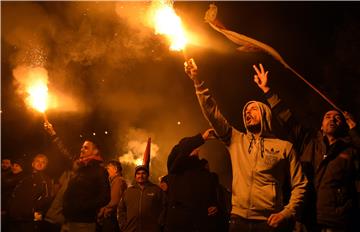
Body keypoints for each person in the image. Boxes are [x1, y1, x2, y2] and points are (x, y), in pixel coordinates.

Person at [184, 58, 308, 232]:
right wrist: (197, 82)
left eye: (253, 109)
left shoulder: (284, 147)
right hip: (237, 221)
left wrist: (287, 213)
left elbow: (300, 185)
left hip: (270, 223)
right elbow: (213, 113)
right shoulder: (236, 139)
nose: (248, 113)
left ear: (265, 114)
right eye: (246, 112)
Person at [253, 63, 360, 232]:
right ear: (321, 127)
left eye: (337, 118)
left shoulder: (350, 150)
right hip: (305, 219)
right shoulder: (308, 141)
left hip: (336, 222)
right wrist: (267, 90)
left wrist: (355, 131)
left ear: (345, 126)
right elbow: (287, 117)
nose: (332, 119)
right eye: (328, 116)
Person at [44, 121, 110, 232]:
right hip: (67, 221)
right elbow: (64, 152)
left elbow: (105, 197)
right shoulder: (79, 167)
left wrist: (83, 207)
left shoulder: (100, 171)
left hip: (84, 224)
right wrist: (53, 134)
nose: (81, 149)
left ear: (95, 151)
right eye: (82, 147)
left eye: (86, 148)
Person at [165, 129, 219, 232]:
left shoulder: (206, 174)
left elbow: (211, 196)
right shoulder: (175, 168)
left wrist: (214, 205)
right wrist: (201, 138)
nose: (195, 148)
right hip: (179, 225)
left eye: (195, 147)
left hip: (200, 224)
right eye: (190, 146)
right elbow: (181, 149)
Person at [8, 154, 54, 232]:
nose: (40, 163)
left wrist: (33, 213)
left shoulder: (46, 181)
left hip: (29, 220)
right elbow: (14, 194)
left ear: (45, 166)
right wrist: (10, 210)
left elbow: (46, 199)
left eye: (43, 162)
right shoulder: (25, 177)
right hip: (14, 217)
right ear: (32, 163)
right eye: (37, 161)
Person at [118, 165, 166, 232]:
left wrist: (159, 223)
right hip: (131, 229)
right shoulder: (128, 191)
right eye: (138, 173)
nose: (141, 176)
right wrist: (123, 225)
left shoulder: (156, 190)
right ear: (135, 176)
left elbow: (164, 207)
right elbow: (121, 209)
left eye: (143, 173)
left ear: (147, 175)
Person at [97, 160, 127, 232]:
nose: (106, 171)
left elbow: (114, 201)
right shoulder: (116, 181)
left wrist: (102, 212)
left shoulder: (118, 181)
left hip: (111, 218)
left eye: (108, 168)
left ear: (115, 169)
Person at [1, 158, 26, 232]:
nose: (14, 167)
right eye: (13, 165)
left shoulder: (22, 179)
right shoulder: (7, 175)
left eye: (17, 166)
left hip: (9, 209)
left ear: (22, 168)